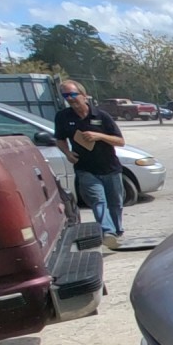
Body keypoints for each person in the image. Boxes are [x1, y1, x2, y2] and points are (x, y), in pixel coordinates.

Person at [54, 80, 126, 249]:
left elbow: (120, 141)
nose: (70, 99)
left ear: (84, 96)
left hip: (109, 167)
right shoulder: (63, 117)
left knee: (116, 203)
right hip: (85, 168)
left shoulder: (101, 116)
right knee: (98, 200)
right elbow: (60, 139)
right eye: (65, 95)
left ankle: (117, 230)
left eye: (73, 94)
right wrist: (68, 154)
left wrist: (99, 136)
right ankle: (108, 232)